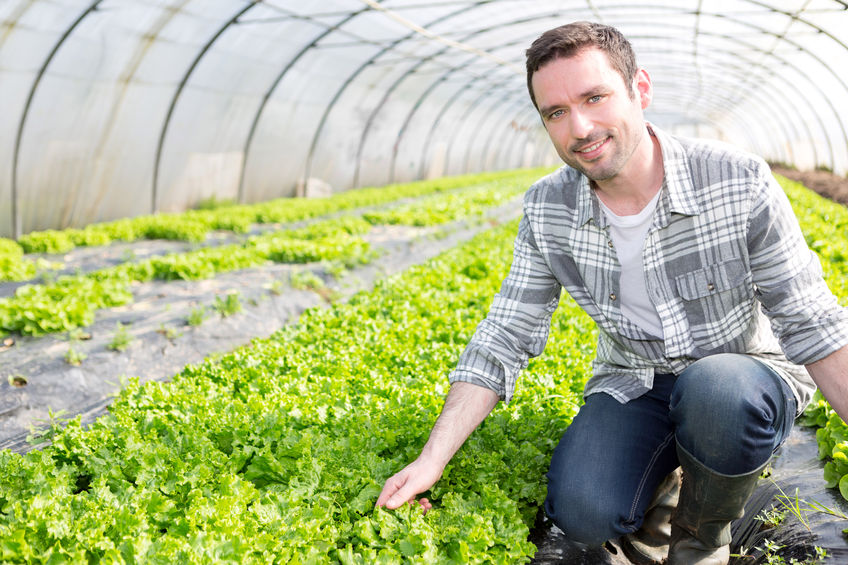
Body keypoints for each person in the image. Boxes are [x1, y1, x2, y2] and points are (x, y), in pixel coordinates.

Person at [376, 20, 848, 564]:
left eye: (594, 97)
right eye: (555, 113)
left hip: (739, 377)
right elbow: (506, 333)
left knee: (716, 390)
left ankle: (702, 535)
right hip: (634, 380)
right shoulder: (548, 208)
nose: (579, 127)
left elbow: (811, 320)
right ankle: (668, 475)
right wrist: (432, 459)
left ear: (639, 89)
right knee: (582, 511)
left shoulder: (736, 181)